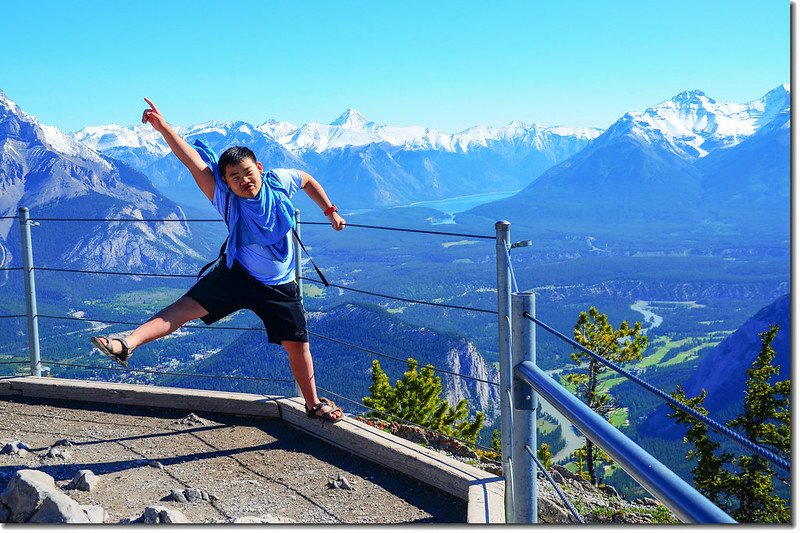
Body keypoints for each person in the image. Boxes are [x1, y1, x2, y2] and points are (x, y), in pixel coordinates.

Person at [91, 98, 345, 422]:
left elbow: (307, 179)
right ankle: (126, 343)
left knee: (298, 346)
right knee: (183, 309)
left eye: (248, 172)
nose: (244, 180)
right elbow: (193, 163)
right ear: (225, 182)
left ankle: (312, 403)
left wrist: (330, 211)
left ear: (260, 170)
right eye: (234, 177)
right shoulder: (225, 199)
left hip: (280, 284)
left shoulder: (279, 181)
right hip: (237, 274)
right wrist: (164, 128)